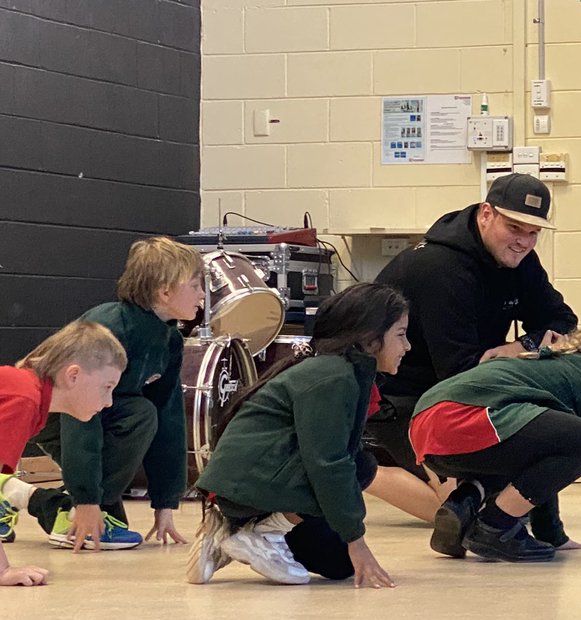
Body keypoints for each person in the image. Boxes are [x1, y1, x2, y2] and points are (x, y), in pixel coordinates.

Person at [371, 173, 578, 519]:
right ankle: (362, 470)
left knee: (510, 500)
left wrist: (518, 347)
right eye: (514, 227)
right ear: (486, 214)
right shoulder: (441, 270)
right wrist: (520, 354)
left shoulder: (520, 260)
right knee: (457, 511)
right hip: (401, 397)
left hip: (465, 388)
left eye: (534, 232)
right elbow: (458, 372)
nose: (524, 241)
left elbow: (562, 320)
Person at [187, 283, 406, 588]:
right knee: (360, 466)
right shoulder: (333, 377)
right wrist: (357, 540)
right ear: (369, 339)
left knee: (338, 563)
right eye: (400, 334)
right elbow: (328, 463)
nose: (407, 347)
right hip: (248, 488)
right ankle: (261, 533)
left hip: (244, 489)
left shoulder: (339, 371)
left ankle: (227, 530)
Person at [410, 320, 581, 563]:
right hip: (464, 419)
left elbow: (542, 456)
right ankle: (495, 525)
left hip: (424, 425)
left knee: (544, 441)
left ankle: (463, 503)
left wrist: (552, 535)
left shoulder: (542, 364)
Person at [22, 237, 204, 551]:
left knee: (144, 412)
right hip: (54, 413)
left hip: (100, 410)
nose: (202, 295)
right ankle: (64, 509)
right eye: (196, 285)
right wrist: (87, 500)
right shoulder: (107, 329)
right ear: (165, 290)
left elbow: (169, 416)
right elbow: (78, 415)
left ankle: (29, 498)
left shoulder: (170, 339)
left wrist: (165, 502)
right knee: (137, 414)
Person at [0, 321, 126, 585]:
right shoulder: (25, 398)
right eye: (106, 387)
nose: (109, 401)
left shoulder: (27, 394)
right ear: (73, 376)